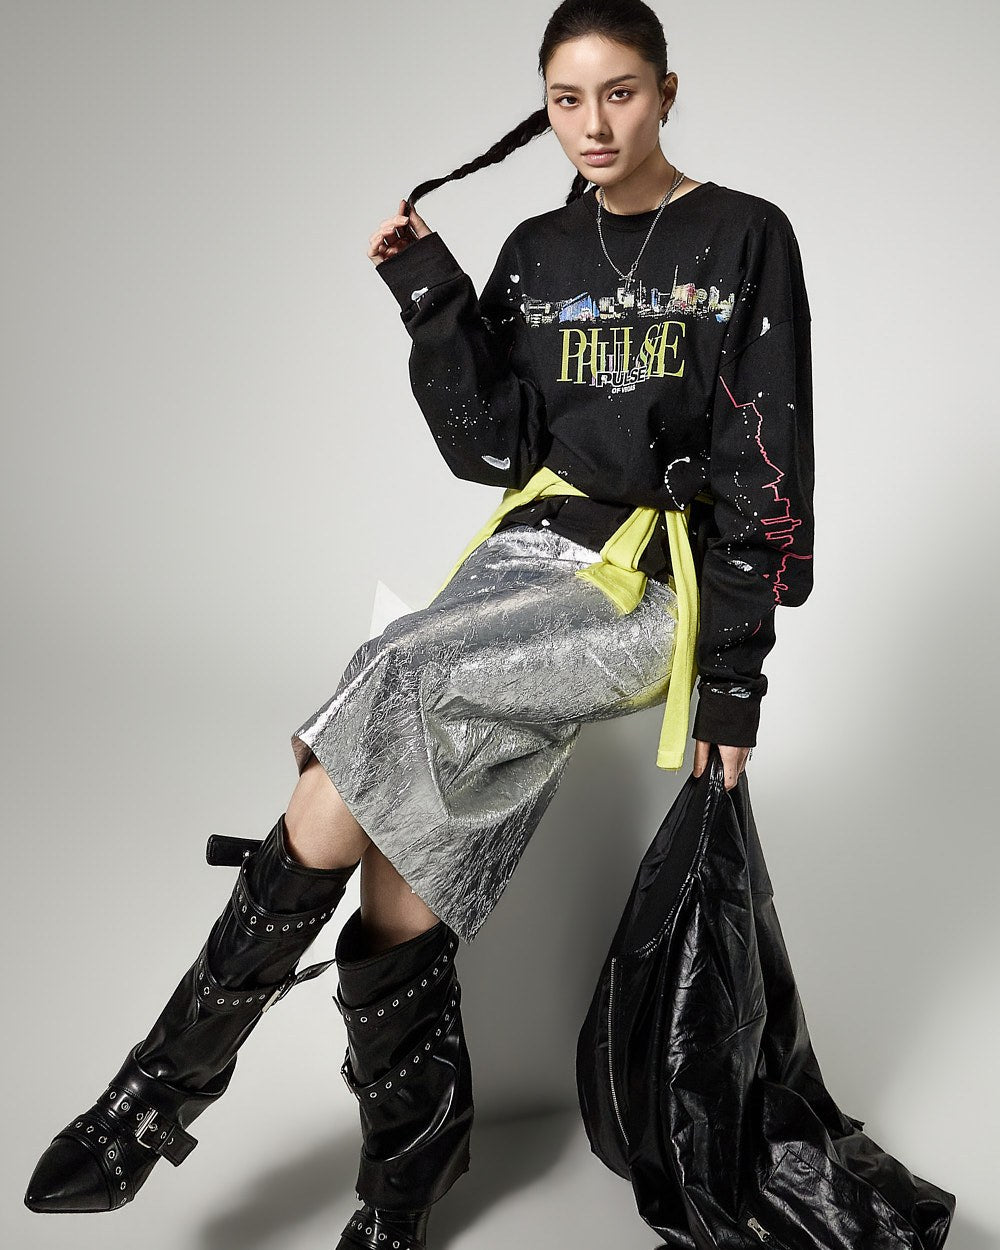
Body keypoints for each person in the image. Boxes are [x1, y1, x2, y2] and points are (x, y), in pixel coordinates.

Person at [23, 2, 814, 1248]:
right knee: (390, 780)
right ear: (542, 106)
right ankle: (406, 1173)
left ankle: (159, 1087)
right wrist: (431, 292)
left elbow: (762, 466)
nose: (593, 125)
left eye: (619, 93)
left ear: (666, 91)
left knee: (384, 675)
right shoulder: (539, 248)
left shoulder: (743, 233)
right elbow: (492, 446)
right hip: (519, 563)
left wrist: (731, 679)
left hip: (650, 587)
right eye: (565, 99)